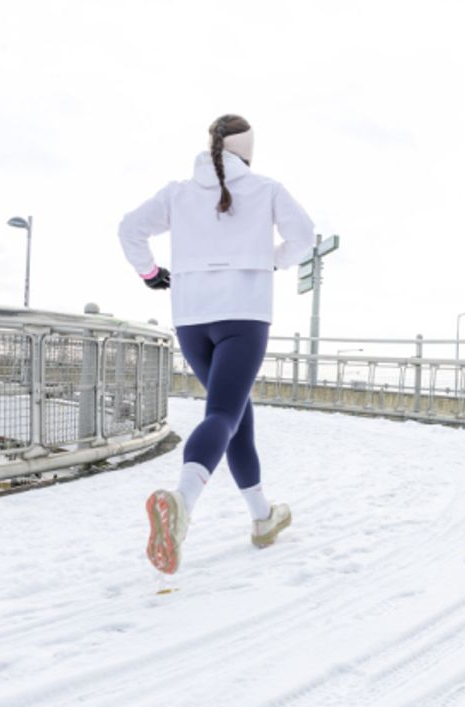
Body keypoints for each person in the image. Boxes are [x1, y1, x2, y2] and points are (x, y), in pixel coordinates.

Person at [118, 114, 316, 574]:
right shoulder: (267, 189)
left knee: (236, 415)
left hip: (191, 319)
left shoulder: (178, 193)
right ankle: (182, 502)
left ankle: (263, 517)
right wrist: (270, 260)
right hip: (243, 316)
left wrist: (150, 273)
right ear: (247, 151)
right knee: (224, 414)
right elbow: (303, 237)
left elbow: (129, 229)